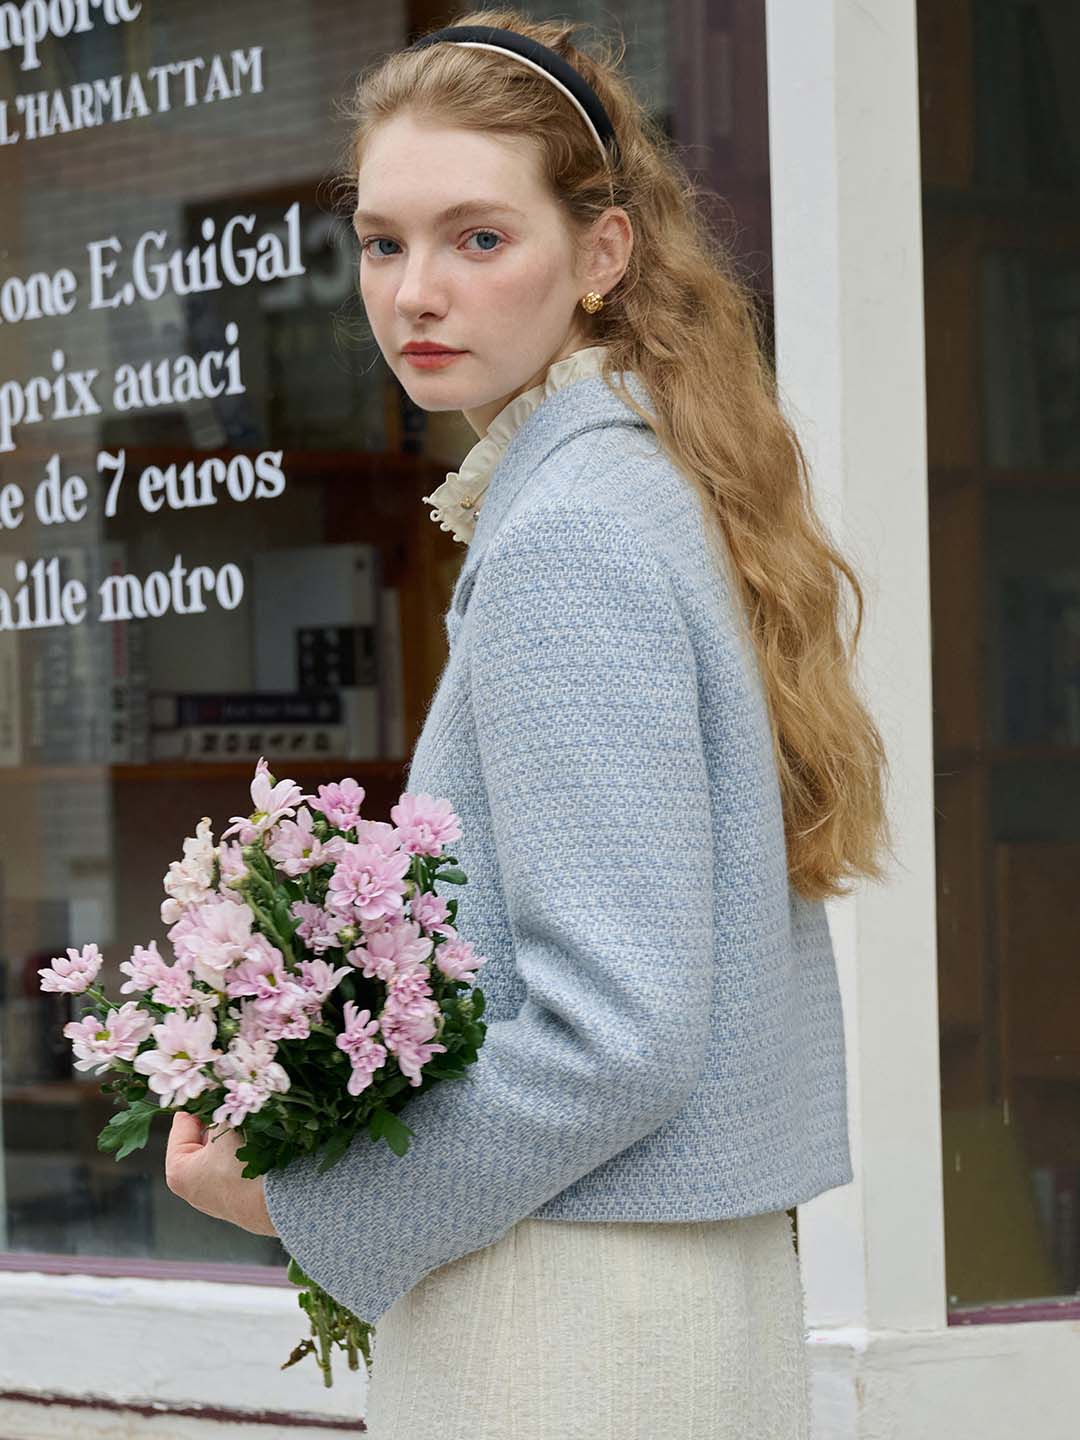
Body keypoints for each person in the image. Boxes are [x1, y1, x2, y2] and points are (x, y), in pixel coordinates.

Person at [166, 10, 894, 1437]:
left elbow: (615, 1035)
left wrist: (306, 1190)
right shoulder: (642, 486)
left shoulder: (572, 531)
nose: (416, 292)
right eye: (383, 243)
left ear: (603, 254)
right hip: (673, 1281)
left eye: (479, 238)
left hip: (567, 1308)